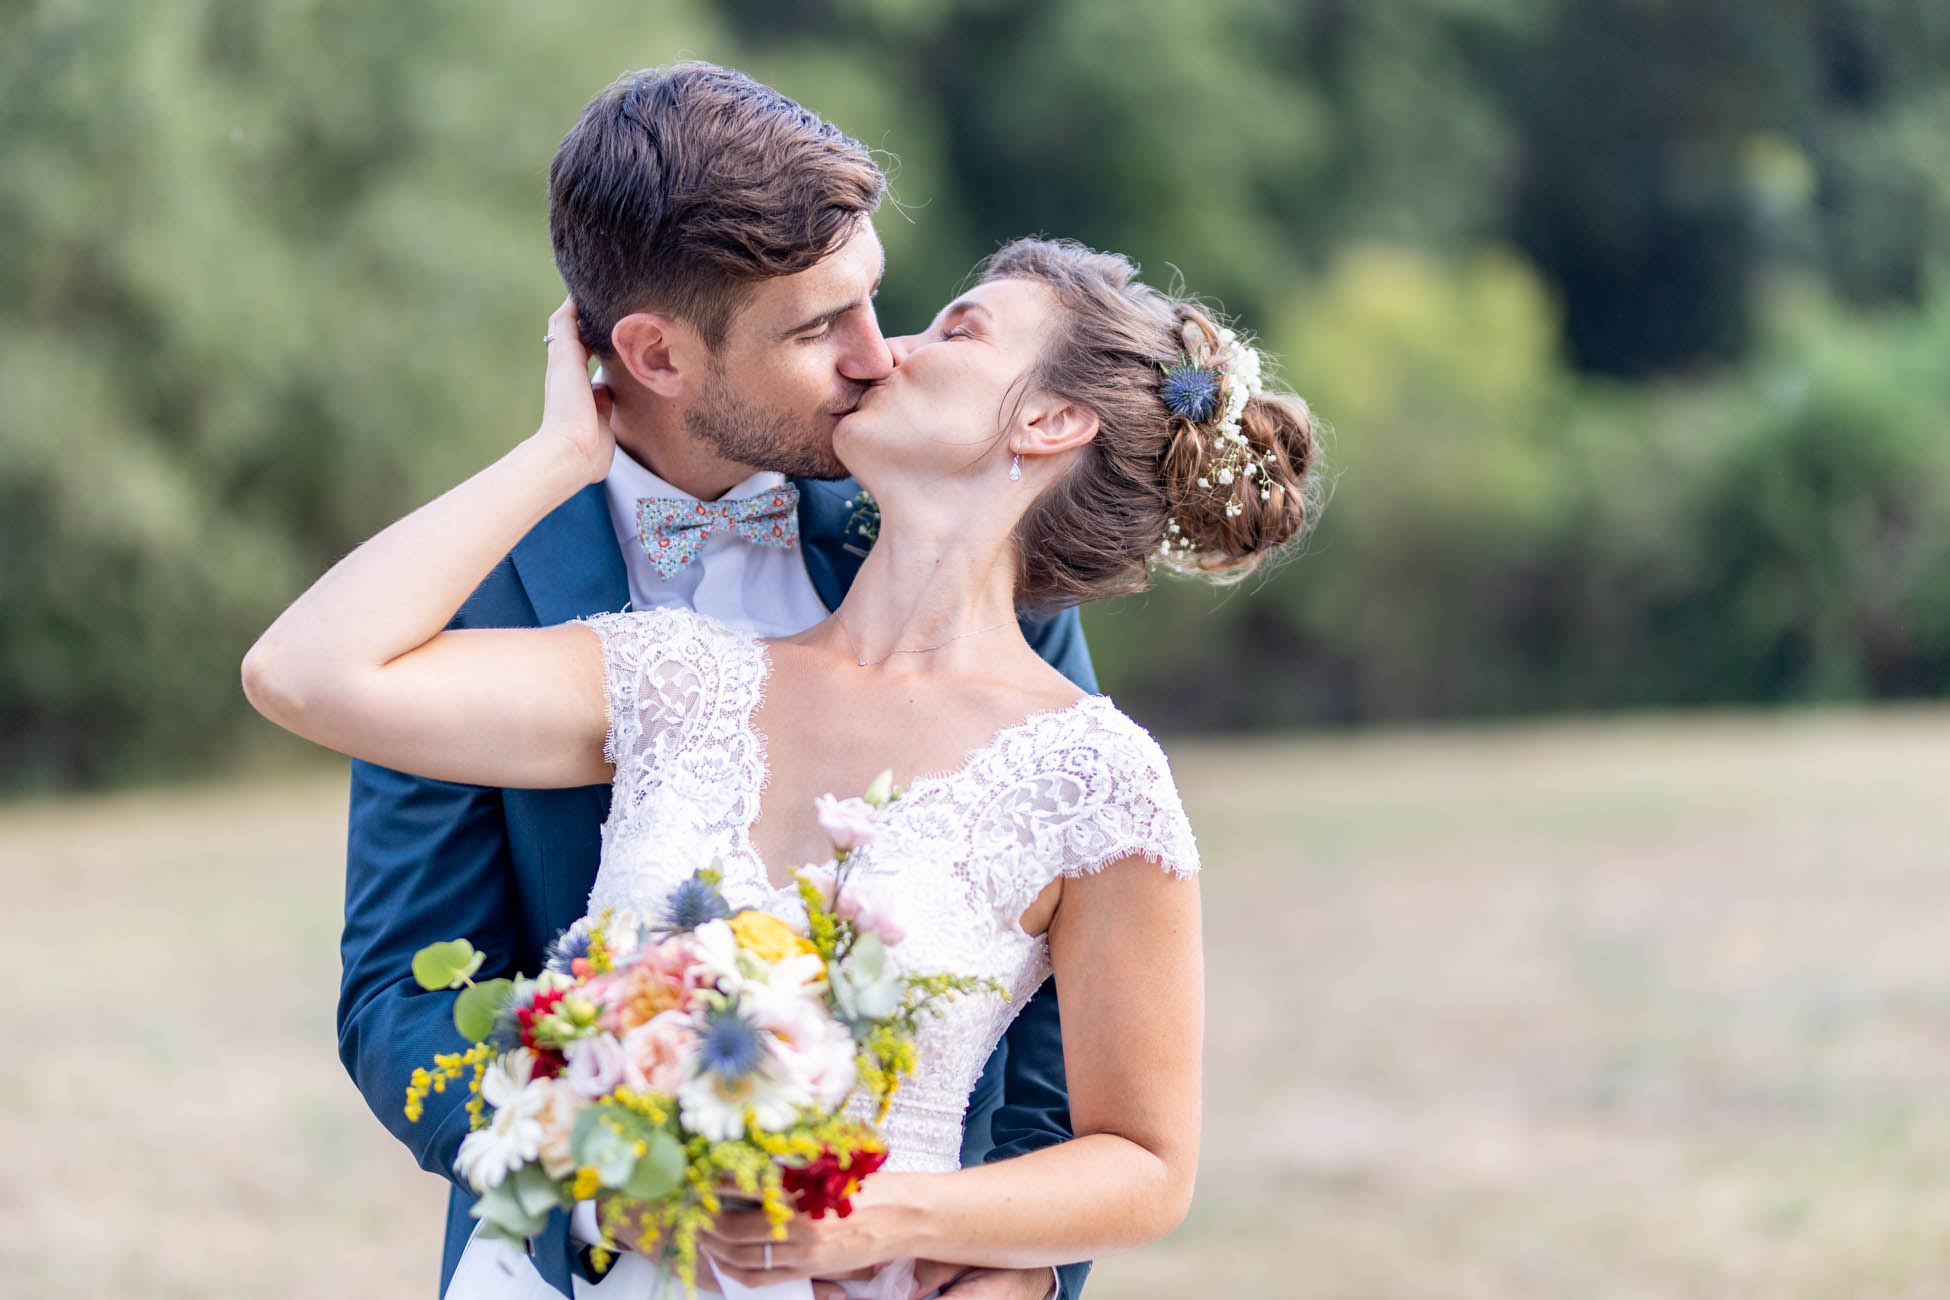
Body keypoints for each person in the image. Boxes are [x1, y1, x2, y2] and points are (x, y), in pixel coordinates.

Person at [247, 225, 1318, 1295]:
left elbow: (1145, 1163)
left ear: (1048, 421)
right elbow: (303, 672)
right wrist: (561, 457)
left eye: (958, 328)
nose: (884, 350)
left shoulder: (1095, 774)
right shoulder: (679, 680)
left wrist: (890, 1214)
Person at [331, 64, 1093, 1300]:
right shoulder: (467, 593)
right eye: (815, 329)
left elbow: (1066, 960)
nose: (876, 358)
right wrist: (618, 1145)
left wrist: (1025, 1264)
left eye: (873, 302)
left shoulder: (960, 538)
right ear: (656, 354)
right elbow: (400, 992)